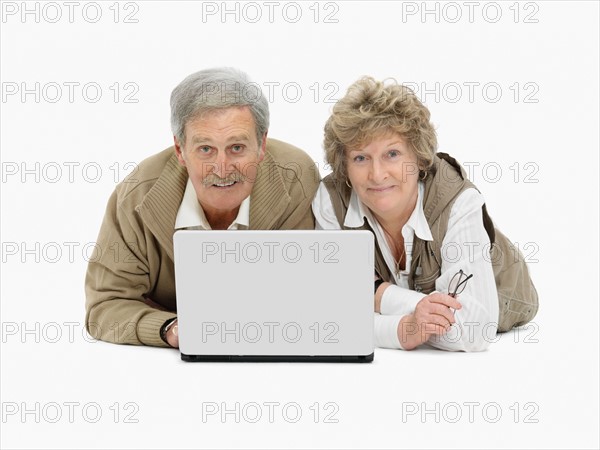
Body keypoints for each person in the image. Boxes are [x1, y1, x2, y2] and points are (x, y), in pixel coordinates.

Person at [85, 68, 320, 348]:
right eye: (206, 149)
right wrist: (171, 327)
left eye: (236, 148)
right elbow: (104, 309)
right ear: (180, 150)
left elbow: (301, 299)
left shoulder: (295, 178)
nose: (222, 169)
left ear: (261, 145)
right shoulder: (136, 196)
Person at [312, 77, 503, 352]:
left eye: (392, 154)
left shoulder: (460, 202)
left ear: (419, 156)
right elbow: (324, 313)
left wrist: (375, 295)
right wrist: (404, 328)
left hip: (506, 288)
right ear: (344, 166)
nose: (377, 175)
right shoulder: (330, 200)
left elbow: (475, 329)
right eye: (360, 158)